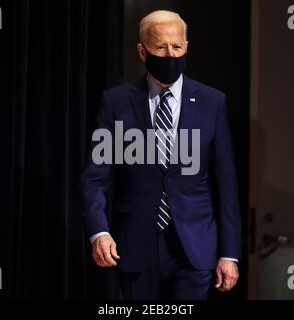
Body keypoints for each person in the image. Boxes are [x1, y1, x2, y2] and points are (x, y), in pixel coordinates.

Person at [81, 10, 241, 300]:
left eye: (177, 47)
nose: (170, 55)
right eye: (161, 47)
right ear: (142, 51)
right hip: (134, 246)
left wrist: (230, 254)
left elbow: (226, 186)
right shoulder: (116, 102)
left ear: (187, 47)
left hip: (194, 249)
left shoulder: (212, 102)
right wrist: (99, 232)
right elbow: (95, 176)